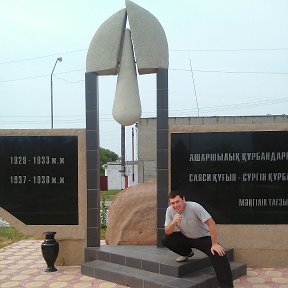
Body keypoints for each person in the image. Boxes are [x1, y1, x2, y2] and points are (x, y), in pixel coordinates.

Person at [162, 191, 234, 288]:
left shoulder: (194, 206)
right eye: (172, 203)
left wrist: (214, 244)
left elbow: (211, 223)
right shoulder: (170, 210)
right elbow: (167, 231)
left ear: (183, 199)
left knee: (219, 254)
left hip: (203, 238)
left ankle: (227, 286)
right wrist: (173, 222)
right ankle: (187, 253)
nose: (175, 205)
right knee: (166, 240)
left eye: (177, 201)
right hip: (186, 237)